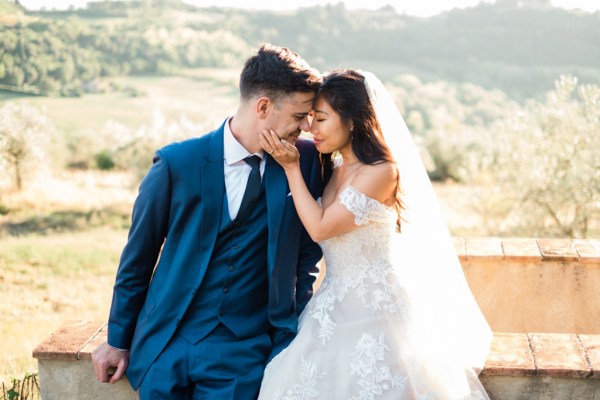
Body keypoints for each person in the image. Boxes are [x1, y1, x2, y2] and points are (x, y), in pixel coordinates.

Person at [91, 43, 324, 399]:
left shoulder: (304, 162)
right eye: (298, 116)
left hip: (243, 348)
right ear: (263, 107)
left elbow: (307, 255)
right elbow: (137, 258)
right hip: (167, 344)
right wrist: (117, 340)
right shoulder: (176, 164)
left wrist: (287, 329)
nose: (305, 127)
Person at [257, 69, 493, 399]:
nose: (311, 128)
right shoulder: (336, 169)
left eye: (321, 119)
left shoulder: (382, 171)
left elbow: (320, 227)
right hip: (330, 309)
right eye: (310, 118)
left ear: (352, 121)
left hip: (378, 314)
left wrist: (291, 168)